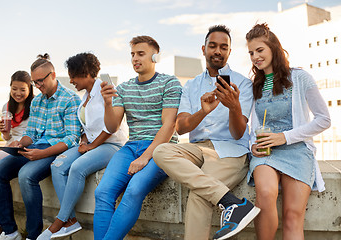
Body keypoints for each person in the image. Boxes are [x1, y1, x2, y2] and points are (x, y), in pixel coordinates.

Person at [153, 25, 260, 240]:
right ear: (204, 49)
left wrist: (234, 107)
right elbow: (181, 127)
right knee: (161, 151)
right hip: (198, 148)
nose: (217, 51)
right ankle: (232, 203)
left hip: (230, 152)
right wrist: (203, 111)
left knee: (199, 197)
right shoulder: (191, 86)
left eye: (223, 47)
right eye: (213, 46)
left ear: (229, 52)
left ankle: (232, 205)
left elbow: (239, 134)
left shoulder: (243, 84)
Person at [245, 23, 331, 240]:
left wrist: (285, 137)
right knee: (265, 195)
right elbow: (249, 126)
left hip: (297, 151)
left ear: (274, 47)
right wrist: (252, 145)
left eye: (260, 50)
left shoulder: (300, 78)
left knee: (292, 216)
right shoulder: (255, 84)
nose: (255, 56)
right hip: (266, 154)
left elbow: (324, 119)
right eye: (251, 52)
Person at [93, 35, 182, 240]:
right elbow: (112, 126)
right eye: (132, 54)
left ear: (155, 57)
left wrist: (146, 157)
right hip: (131, 147)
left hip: (162, 149)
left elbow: (169, 125)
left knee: (134, 190)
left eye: (141, 54)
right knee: (102, 192)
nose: (135, 58)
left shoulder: (170, 82)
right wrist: (107, 103)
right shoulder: (123, 88)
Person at [0, 54, 82, 240]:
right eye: (35, 82)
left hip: (56, 150)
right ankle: (10, 232)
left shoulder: (70, 99)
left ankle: (33, 234)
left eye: (40, 81)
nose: (37, 86)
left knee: (26, 175)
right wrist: (19, 143)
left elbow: (73, 138)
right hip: (36, 147)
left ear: (53, 74)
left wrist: (43, 153)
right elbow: (31, 134)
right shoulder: (37, 102)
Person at [36, 53, 128, 240]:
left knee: (77, 168)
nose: (70, 80)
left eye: (73, 75)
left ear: (85, 73)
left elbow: (111, 127)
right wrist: (85, 141)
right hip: (91, 145)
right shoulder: (85, 96)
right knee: (58, 165)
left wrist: (92, 145)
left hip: (111, 145)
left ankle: (59, 222)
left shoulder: (105, 91)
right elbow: (85, 126)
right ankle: (70, 221)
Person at [0, 71, 33, 240]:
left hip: (24, 148)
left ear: (30, 89)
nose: (18, 93)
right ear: (10, 88)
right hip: (9, 148)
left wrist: (17, 142)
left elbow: (34, 135)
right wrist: (5, 133)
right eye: (14, 89)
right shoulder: (6, 107)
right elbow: (8, 138)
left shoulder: (34, 107)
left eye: (22, 90)